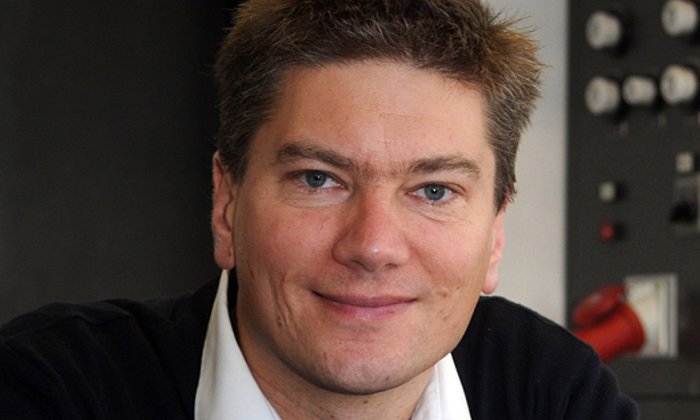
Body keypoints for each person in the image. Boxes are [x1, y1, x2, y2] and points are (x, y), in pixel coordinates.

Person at [0, 0, 638, 419]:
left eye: (434, 191)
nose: (374, 246)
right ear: (227, 204)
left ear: (495, 232)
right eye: (318, 179)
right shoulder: (51, 389)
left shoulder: (555, 392)